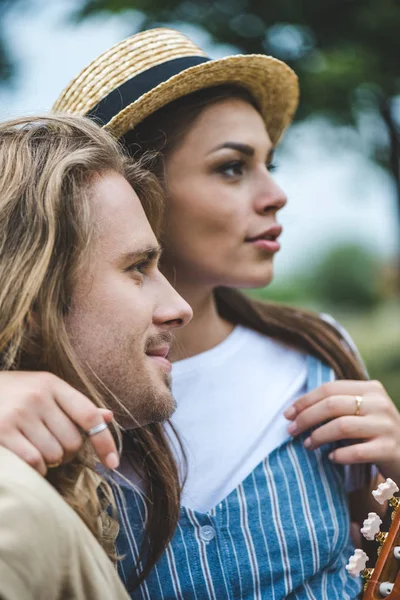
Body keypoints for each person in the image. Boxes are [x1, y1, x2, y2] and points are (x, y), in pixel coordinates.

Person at [1, 28, 400, 599]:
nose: (276, 194)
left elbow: (377, 567)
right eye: (232, 167)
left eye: (269, 164)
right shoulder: (45, 403)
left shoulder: (317, 353)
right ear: (134, 191)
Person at [0, 114, 192, 600]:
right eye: (137, 268)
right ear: (35, 300)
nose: (179, 308)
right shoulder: (12, 509)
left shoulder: (63, 484)